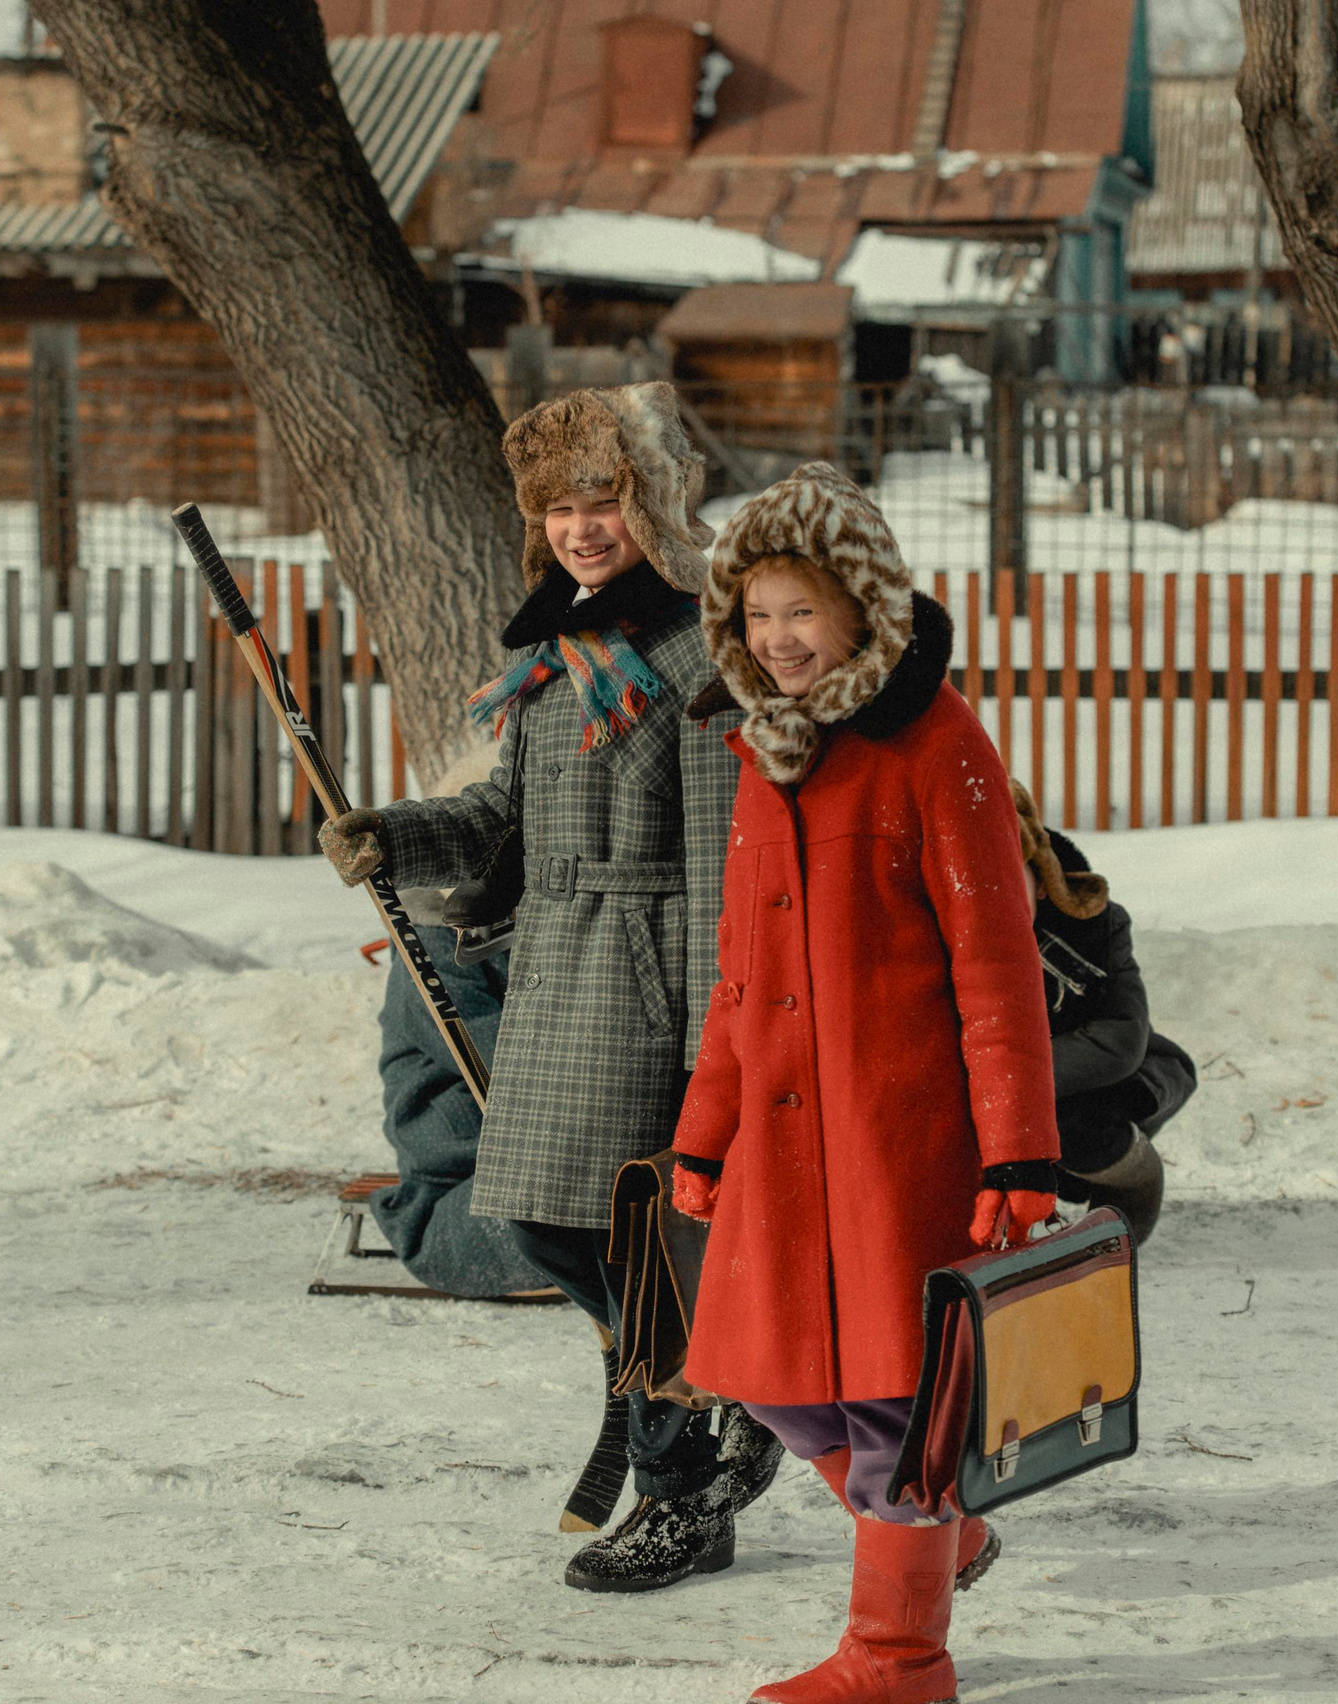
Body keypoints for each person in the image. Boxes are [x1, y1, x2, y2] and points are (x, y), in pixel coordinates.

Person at [314, 382, 781, 1592]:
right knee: (538, 1222)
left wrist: (710, 1049)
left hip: (655, 986)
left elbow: (725, 856)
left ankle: (684, 1493)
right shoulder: (559, 646)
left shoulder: (693, 650)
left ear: (653, 506)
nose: (581, 528)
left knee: (648, 1252)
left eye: (604, 503)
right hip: (561, 976)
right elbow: (497, 819)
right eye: (560, 507)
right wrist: (394, 839)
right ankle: (726, 1416)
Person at [668, 463, 1059, 1704]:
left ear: (863, 610)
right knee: (778, 1389)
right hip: (783, 1154)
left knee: (894, 1405)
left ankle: (899, 1659)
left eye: (801, 612)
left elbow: (997, 969)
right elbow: (740, 975)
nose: (776, 641)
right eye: (756, 615)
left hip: (901, 1147)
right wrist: (702, 1133)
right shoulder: (764, 752)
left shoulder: (935, 745)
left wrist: (1016, 1156)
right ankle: (939, 1532)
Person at [1009, 782, 1196, 1247]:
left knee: (1075, 1122)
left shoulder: (1091, 930)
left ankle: (1118, 1210)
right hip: (1009, 1093)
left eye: (1010, 881)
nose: (995, 904)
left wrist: (1008, 1077)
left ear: (1044, 880)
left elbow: (1120, 1037)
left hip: (1103, 1084)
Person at [369, 881, 554, 1300]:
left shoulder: (502, 926)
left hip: (505, 1140)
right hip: (457, 1158)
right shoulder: (430, 945)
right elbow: (492, 1055)